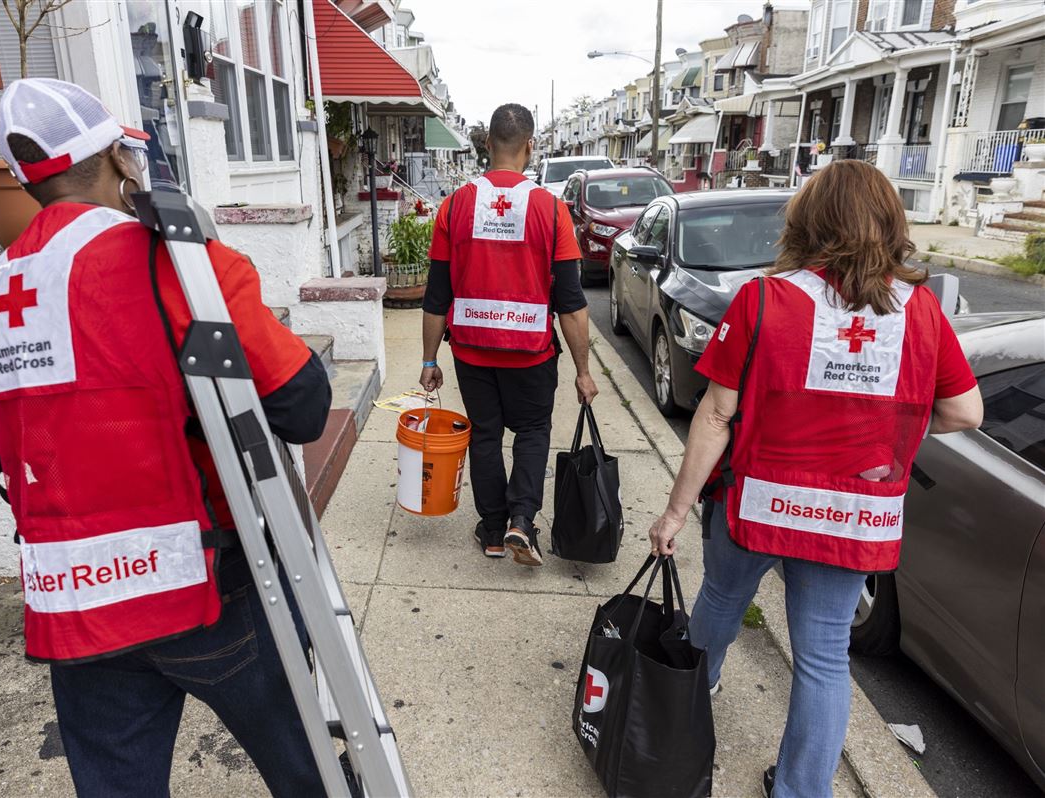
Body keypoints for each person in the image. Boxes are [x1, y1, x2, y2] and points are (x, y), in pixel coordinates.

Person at [0, 79, 331, 798]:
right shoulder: (178, 264)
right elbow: (301, 406)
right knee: (305, 767)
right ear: (114, 158)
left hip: (73, 600)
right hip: (206, 585)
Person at [646, 160, 983, 798]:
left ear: (809, 221)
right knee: (824, 658)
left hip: (764, 502)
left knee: (721, 597)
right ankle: (801, 791)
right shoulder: (922, 312)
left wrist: (674, 513)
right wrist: (884, 418)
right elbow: (966, 410)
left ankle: (696, 683)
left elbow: (717, 414)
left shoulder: (765, 299)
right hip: (854, 513)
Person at [420, 103, 598, 566]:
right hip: (531, 353)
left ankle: (494, 531)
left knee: (484, 435)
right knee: (534, 432)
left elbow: (437, 294)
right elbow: (572, 303)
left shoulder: (455, 205)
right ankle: (522, 520)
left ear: (486, 144)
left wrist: (428, 360)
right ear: (530, 145)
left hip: (473, 353)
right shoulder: (551, 210)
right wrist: (583, 370)